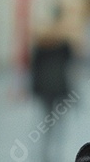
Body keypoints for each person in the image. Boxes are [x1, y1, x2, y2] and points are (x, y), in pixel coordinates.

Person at [30, 25, 75, 162]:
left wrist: (34, 89)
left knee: (47, 121)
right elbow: (70, 61)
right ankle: (54, 150)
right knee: (58, 121)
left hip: (46, 89)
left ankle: (47, 150)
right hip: (59, 87)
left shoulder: (41, 47)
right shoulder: (63, 46)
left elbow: (34, 69)